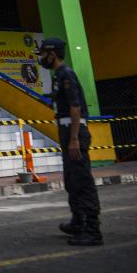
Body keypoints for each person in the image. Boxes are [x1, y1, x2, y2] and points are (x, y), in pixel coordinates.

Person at [37, 37, 103, 246]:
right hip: (66, 131)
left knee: (83, 182)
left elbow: (75, 108)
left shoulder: (66, 75)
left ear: (53, 54)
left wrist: (74, 138)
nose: (42, 58)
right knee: (71, 180)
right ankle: (78, 223)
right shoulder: (58, 76)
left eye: (43, 54)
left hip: (75, 132)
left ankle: (93, 231)